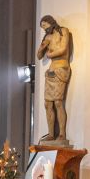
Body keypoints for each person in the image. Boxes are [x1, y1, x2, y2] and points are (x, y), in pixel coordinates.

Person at [37, 15, 72, 143]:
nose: (44, 29)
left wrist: (50, 53)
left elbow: (63, 49)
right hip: (51, 71)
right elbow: (39, 56)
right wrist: (42, 47)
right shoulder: (47, 37)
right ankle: (51, 133)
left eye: (45, 25)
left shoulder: (63, 31)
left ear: (50, 22)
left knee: (58, 102)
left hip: (61, 68)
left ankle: (62, 133)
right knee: (48, 104)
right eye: (42, 28)